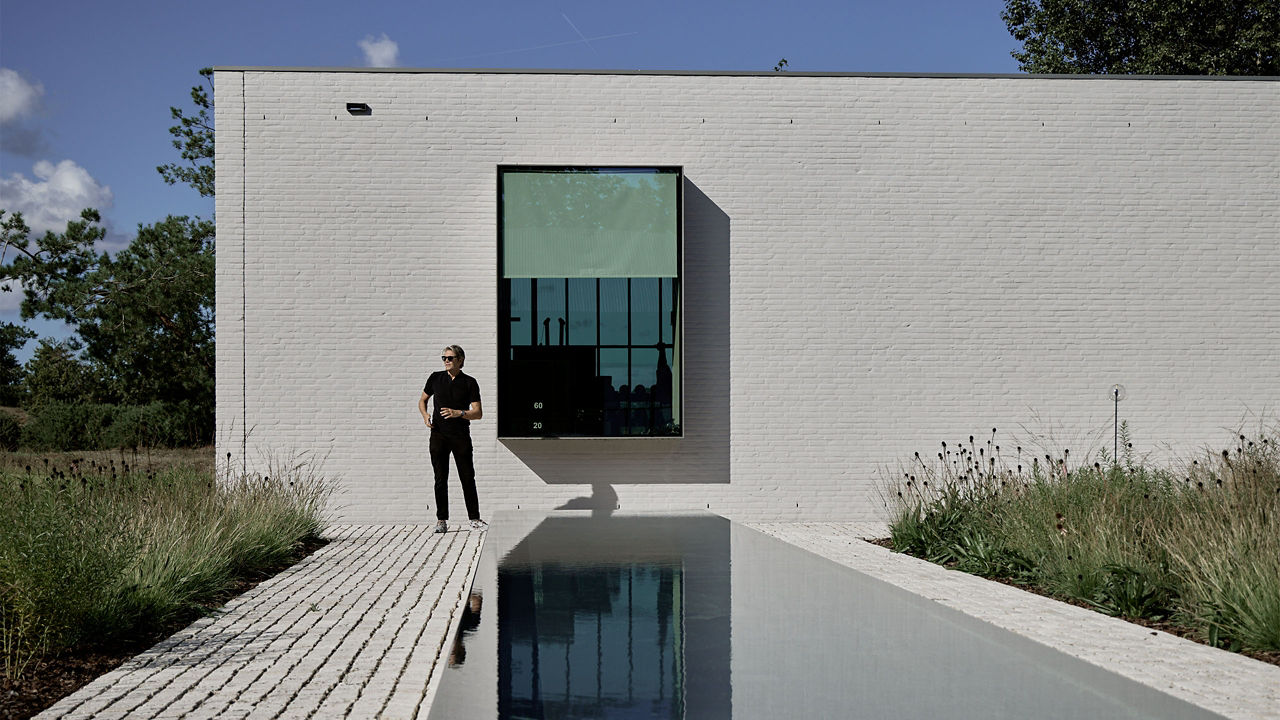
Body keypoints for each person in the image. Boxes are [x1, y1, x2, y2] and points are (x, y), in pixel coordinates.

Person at [418, 344, 486, 532]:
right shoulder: (435, 378)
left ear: (460, 360)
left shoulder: (469, 382)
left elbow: (478, 413)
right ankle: (441, 520)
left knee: (467, 477)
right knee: (440, 478)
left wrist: (459, 413)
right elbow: (422, 400)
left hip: (460, 436)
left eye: (450, 358)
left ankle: (474, 518)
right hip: (438, 435)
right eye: (444, 358)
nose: (446, 361)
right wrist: (425, 416)